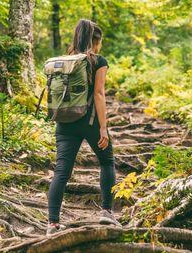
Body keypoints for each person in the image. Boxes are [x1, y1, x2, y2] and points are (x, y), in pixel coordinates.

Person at [46, 19, 120, 235]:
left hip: (64, 122)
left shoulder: (65, 60)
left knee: (61, 171)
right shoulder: (98, 61)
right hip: (90, 122)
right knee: (107, 162)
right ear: (95, 41)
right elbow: (98, 94)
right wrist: (103, 128)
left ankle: (52, 224)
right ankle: (106, 212)